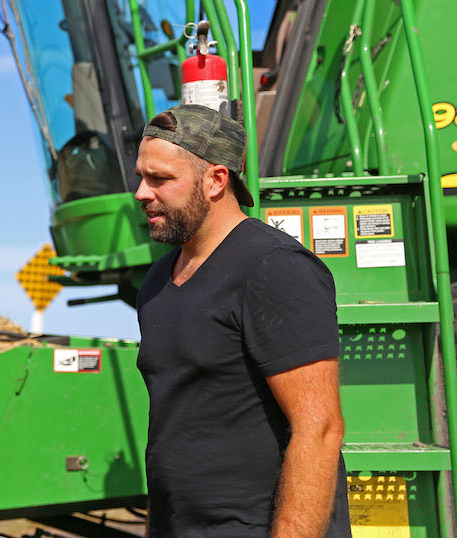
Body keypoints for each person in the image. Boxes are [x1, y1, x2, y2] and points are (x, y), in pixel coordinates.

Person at [133, 104, 350, 537]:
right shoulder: (158, 279)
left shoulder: (273, 267)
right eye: (140, 176)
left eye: (160, 179)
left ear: (216, 180)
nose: (141, 192)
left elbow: (320, 428)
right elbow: (171, 433)